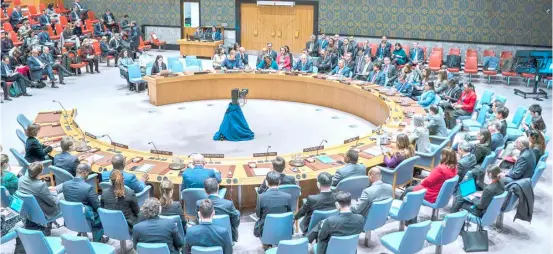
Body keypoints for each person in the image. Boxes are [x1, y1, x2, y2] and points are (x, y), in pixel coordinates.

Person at [62, 164, 105, 242]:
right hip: (86, 219)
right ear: (84, 173)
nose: (88, 175)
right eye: (88, 173)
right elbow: (97, 206)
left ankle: (81, 231)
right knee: (101, 215)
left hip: (71, 217)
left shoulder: (65, 185)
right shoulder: (88, 187)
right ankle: (98, 242)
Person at [17, 162, 60, 233]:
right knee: (61, 198)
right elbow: (52, 202)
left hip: (29, 210)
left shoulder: (20, 179)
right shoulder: (40, 185)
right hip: (43, 211)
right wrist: (56, 196)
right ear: (39, 173)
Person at [196, 178, 241, 242]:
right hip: (226, 237)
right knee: (237, 213)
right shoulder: (228, 204)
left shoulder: (199, 203)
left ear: (205, 190)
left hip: (206, 236)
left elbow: (198, 220)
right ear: (218, 187)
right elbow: (235, 223)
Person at [254, 171, 292, 240]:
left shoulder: (261, 197)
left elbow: (258, 215)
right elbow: (289, 213)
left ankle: (266, 244)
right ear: (279, 182)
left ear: (266, 183)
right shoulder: (288, 196)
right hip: (282, 227)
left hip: (266, 227)